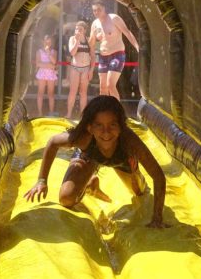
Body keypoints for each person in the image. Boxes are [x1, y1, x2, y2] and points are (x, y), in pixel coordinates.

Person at [24, 95, 166, 228]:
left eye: (112, 125)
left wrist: (157, 217)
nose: (106, 132)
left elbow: (158, 176)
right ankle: (89, 184)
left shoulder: (129, 141)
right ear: (90, 127)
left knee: (140, 192)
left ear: (121, 126)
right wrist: (41, 180)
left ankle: (106, 179)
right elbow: (53, 142)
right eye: (99, 125)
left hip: (122, 160)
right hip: (89, 156)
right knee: (66, 198)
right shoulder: (83, 138)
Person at [89, 0, 140, 100]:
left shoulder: (114, 18)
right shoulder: (95, 24)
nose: (96, 12)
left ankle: (116, 108)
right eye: (94, 10)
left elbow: (127, 32)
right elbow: (91, 44)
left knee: (110, 85)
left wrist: (138, 47)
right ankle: (104, 108)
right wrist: (91, 36)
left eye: (99, 9)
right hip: (103, 57)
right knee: (102, 87)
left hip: (117, 55)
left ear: (104, 8)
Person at [66, 21, 94, 119]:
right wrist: (77, 41)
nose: (78, 31)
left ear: (85, 30)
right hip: (75, 67)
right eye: (76, 29)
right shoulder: (72, 39)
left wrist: (91, 70)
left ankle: (83, 115)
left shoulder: (89, 40)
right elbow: (72, 53)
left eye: (80, 29)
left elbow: (93, 57)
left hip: (86, 68)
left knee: (83, 93)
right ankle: (69, 113)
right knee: (72, 91)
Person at [35, 34, 58, 116]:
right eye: (46, 42)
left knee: (51, 93)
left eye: (49, 42)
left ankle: (51, 112)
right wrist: (49, 65)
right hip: (41, 74)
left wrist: (48, 53)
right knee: (40, 93)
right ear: (43, 42)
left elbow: (54, 63)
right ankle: (39, 113)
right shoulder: (39, 51)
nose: (48, 44)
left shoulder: (54, 52)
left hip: (51, 74)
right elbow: (38, 64)